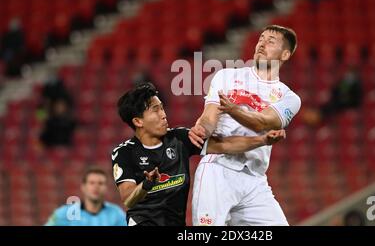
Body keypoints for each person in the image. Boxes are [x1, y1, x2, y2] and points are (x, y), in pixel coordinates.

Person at [112, 82, 286, 226]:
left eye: (162, 108)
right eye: (155, 110)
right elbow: (127, 199)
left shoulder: (179, 139)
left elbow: (224, 145)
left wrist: (263, 140)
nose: (163, 115)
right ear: (138, 121)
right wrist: (146, 184)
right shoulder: (124, 153)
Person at [188, 25, 301, 226]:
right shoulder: (227, 76)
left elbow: (263, 123)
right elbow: (209, 117)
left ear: (285, 54)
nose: (262, 44)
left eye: (271, 41)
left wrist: (233, 110)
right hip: (217, 168)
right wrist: (201, 128)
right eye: (261, 38)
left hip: (254, 179)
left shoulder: (289, 97)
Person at [45, 167, 126, 226]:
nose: (96, 187)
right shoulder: (64, 213)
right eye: (91, 183)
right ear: (83, 187)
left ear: (106, 188)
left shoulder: (116, 214)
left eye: (100, 183)